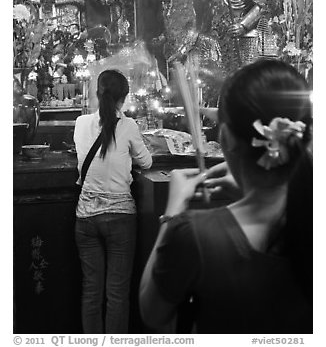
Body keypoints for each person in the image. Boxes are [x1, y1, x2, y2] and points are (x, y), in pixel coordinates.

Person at [139, 58, 312, 334]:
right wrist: (248, 192)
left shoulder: (194, 234)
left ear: (226, 139)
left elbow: (153, 312)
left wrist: (172, 213)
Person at [74, 69, 152, 333]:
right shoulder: (129, 126)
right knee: (117, 294)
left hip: (85, 217)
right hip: (120, 218)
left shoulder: (81, 122)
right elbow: (147, 162)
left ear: (98, 93)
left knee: (91, 291)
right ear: (125, 97)